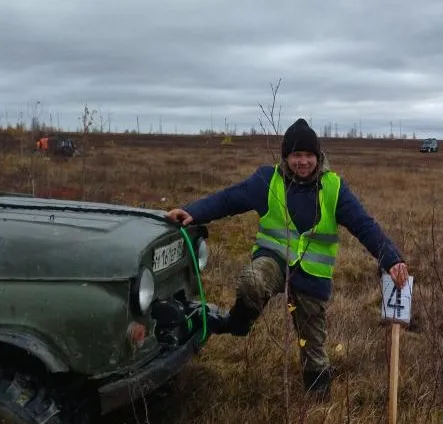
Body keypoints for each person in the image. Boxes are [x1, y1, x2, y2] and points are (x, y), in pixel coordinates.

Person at [166, 118, 409, 398]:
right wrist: (191, 211)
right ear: (286, 157)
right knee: (253, 282)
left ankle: (317, 402)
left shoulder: (334, 188)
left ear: (318, 157)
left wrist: (391, 259)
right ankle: (239, 323)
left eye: (308, 155)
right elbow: (228, 199)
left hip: (312, 278)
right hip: (273, 260)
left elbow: (365, 226)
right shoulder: (266, 181)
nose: (302, 162)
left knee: (314, 350)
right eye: (296, 155)